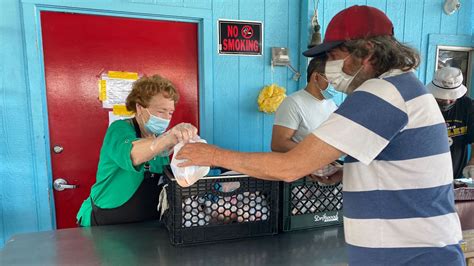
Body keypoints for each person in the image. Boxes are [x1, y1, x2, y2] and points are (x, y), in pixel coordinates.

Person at [176, 5, 465, 265]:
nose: (328, 66)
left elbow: (289, 167)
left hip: (409, 257)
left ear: (366, 52)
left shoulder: (381, 93)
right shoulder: (405, 88)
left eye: (333, 56)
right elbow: (397, 163)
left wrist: (212, 154)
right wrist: (346, 171)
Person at [76, 74, 197, 227]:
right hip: (104, 222)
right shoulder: (119, 129)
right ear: (140, 108)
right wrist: (167, 139)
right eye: (161, 111)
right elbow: (133, 154)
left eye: (170, 112)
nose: (166, 118)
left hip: (142, 227)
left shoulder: (160, 138)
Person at [271, 53, 337, 153]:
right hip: (300, 166)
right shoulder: (293, 103)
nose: (336, 83)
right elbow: (278, 144)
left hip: (324, 165)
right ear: (316, 77)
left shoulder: (332, 105)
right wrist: (316, 152)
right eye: (332, 79)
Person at [427, 66, 474, 179]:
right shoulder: (423, 104)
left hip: (455, 174)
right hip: (425, 174)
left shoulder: (468, 106)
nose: (447, 101)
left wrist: (472, 163)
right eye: (442, 97)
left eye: (452, 97)